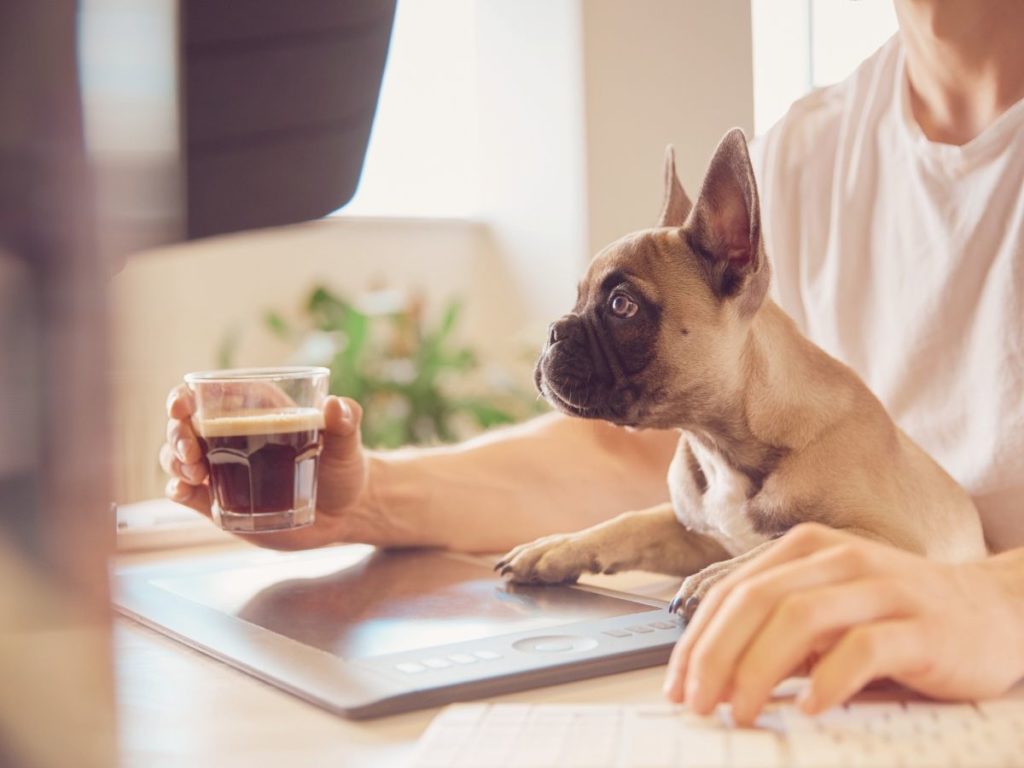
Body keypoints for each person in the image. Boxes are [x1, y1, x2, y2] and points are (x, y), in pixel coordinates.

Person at [162, 0, 1024, 725]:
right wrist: (362, 500)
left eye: (618, 310)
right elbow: (626, 458)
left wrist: (991, 600)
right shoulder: (810, 147)